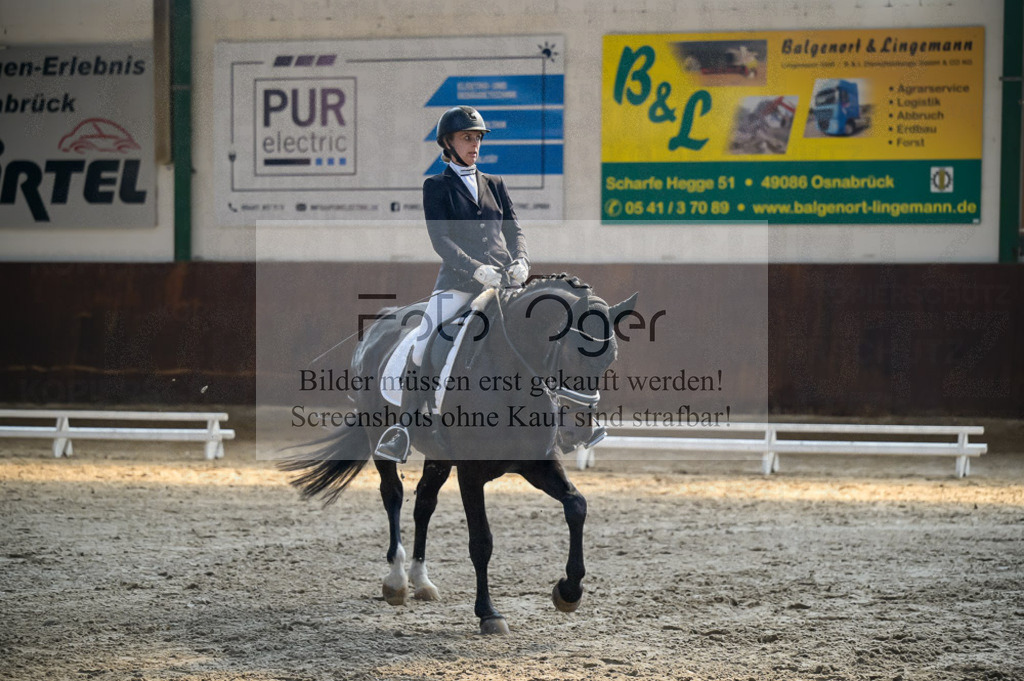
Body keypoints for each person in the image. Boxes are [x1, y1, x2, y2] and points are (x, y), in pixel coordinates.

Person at [374, 105, 530, 463]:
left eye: (477, 138)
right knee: (422, 344)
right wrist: (475, 269)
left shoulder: (495, 183)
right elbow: (441, 240)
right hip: (458, 284)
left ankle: (559, 417)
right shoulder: (436, 186)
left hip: (503, 282)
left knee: (537, 331)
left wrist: (521, 259)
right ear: (448, 143)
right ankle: (404, 428)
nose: (474, 144)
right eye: (466, 138)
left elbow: (514, 229)